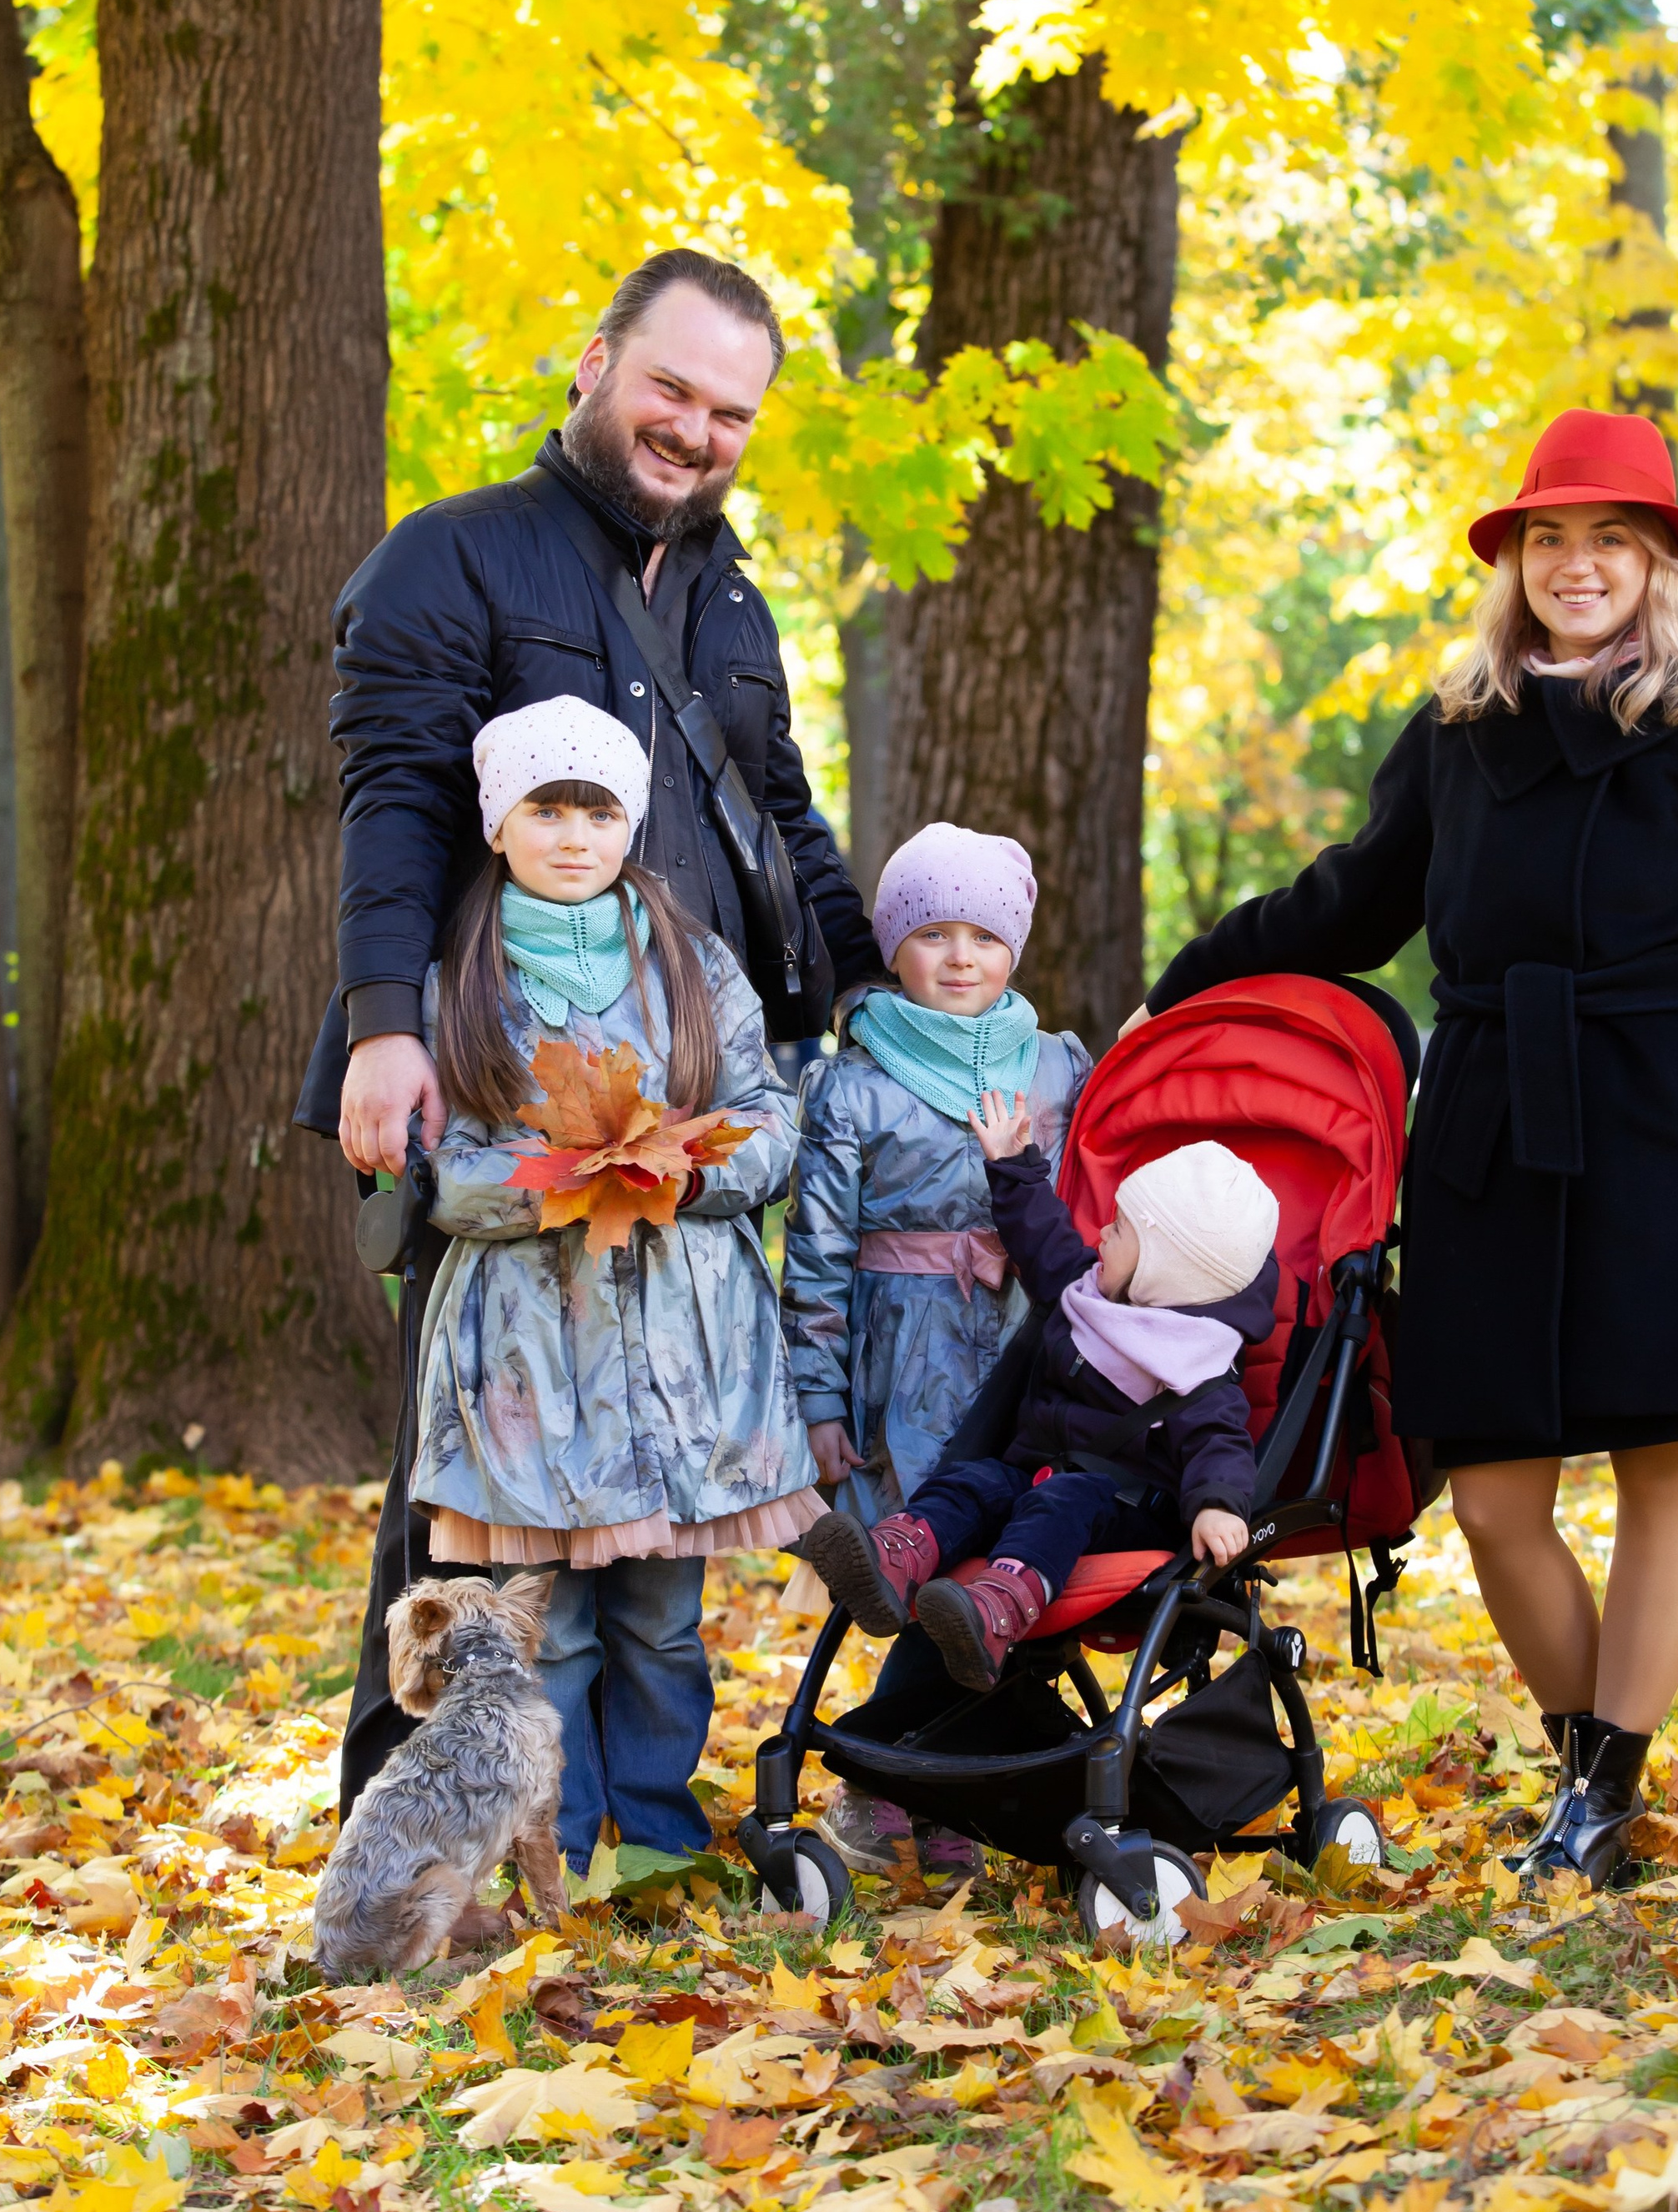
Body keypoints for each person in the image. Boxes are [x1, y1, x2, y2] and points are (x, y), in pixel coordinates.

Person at [1131, 410, 1678, 1890]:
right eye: (1552, 537)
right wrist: (1185, 980)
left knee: (1664, 1458)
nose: (1579, 564)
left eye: (1613, 538)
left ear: (1664, 562)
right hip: (1482, 1126)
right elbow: (1350, 904)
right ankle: (1586, 1774)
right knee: (1491, 1491)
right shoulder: (1461, 732)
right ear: (1517, 559)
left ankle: (1598, 1804)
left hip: (1666, 1119)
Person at [299, 246, 877, 1816]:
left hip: (693, 1116)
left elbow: (783, 825)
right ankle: (413, 1819)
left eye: (731, 412)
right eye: (672, 387)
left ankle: (622, 1811)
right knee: (468, 1484)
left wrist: (869, 1006)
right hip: (492, 1089)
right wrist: (382, 1028)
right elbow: (398, 808)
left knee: (641, 1501)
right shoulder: (454, 560)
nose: (696, 430)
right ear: (594, 359)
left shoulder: (729, 593)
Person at [418, 696, 821, 1864]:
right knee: (555, 1631)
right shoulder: (461, 977)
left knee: (663, 1620)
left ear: (629, 824)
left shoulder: (694, 965)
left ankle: (656, 1833)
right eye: (547, 808)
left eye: (597, 809)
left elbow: (768, 1118)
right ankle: (566, 1841)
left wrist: (688, 1177)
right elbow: (437, 1171)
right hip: (535, 1349)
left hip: (683, 1345)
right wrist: (561, 1182)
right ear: (501, 825)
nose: (574, 834)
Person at [779, 823, 1090, 1870]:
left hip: (1022, 1347)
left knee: (996, 1555)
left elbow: (1094, 1208)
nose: (960, 956)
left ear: (1016, 947)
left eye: (983, 936)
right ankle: (888, 1788)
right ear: (894, 948)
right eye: (933, 935)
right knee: (917, 1551)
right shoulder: (853, 1082)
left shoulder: (1055, 1067)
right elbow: (815, 1256)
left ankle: (942, 1780)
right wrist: (818, 1403)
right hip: (901, 1352)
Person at [799, 1103, 1279, 1691]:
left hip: (1122, 1508)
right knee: (972, 1480)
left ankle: (996, 1611)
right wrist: (1011, 1163)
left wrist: (1219, 1505)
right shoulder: (1088, 1296)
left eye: (1122, 1228)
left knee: (1063, 1502)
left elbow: (1220, 1442)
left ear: (1161, 1266)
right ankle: (894, 1561)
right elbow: (1042, 1235)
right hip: (1034, 1478)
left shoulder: (1195, 1361)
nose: (1103, 1230)